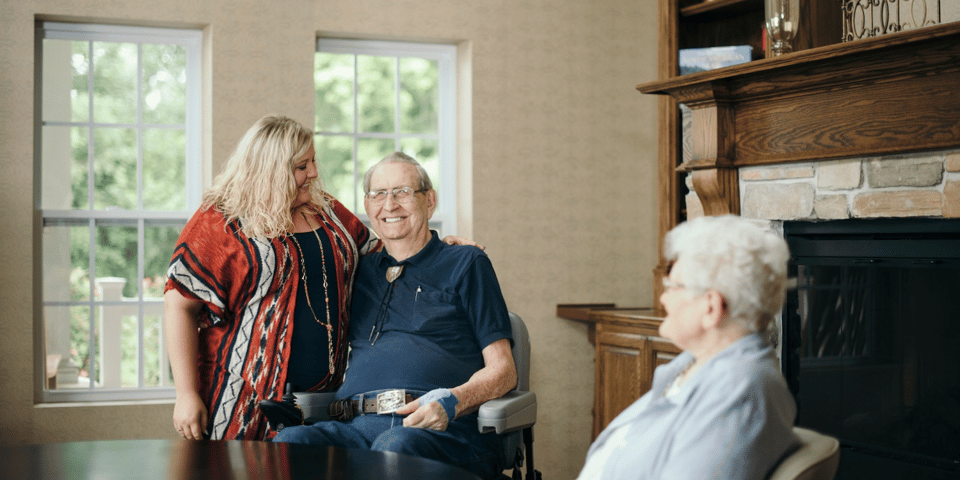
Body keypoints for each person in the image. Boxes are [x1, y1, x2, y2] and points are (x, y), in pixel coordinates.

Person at [164, 115, 476, 441]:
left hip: (323, 405)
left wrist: (439, 246)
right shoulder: (222, 219)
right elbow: (179, 306)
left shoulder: (326, 211)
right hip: (240, 399)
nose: (313, 172)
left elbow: (384, 250)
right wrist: (185, 394)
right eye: (302, 166)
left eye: (313, 161)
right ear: (271, 167)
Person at [273, 152, 516, 479]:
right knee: (290, 442)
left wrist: (451, 402)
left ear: (429, 201)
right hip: (355, 428)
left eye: (403, 192)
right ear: (368, 205)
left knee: (394, 447)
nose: (390, 205)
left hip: (440, 429)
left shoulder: (467, 263)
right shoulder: (359, 270)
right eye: (379, 194)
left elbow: (504, 371)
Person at [577, 214, 800, 479]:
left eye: (673, 286)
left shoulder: (735, 395)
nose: (662, 298)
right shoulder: (693, 366)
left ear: (711, 307)